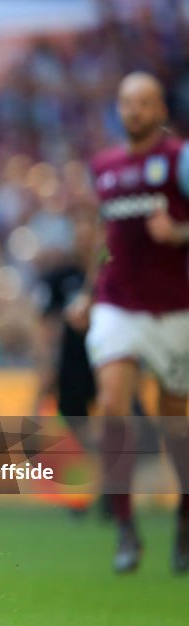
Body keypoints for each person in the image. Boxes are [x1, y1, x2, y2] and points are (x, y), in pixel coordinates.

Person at [66, 71, 189, 574]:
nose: (134, 111)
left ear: (161, 109)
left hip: (175, 307)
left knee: (175, 420)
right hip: (118, 304)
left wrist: (180, 232)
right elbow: (103, 236)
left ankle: (184, 519)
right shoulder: (105, 167)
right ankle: (124, 525)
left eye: (144, 103)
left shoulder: (180, 158)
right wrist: (89, 291)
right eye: (126, 102)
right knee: (113, 403)